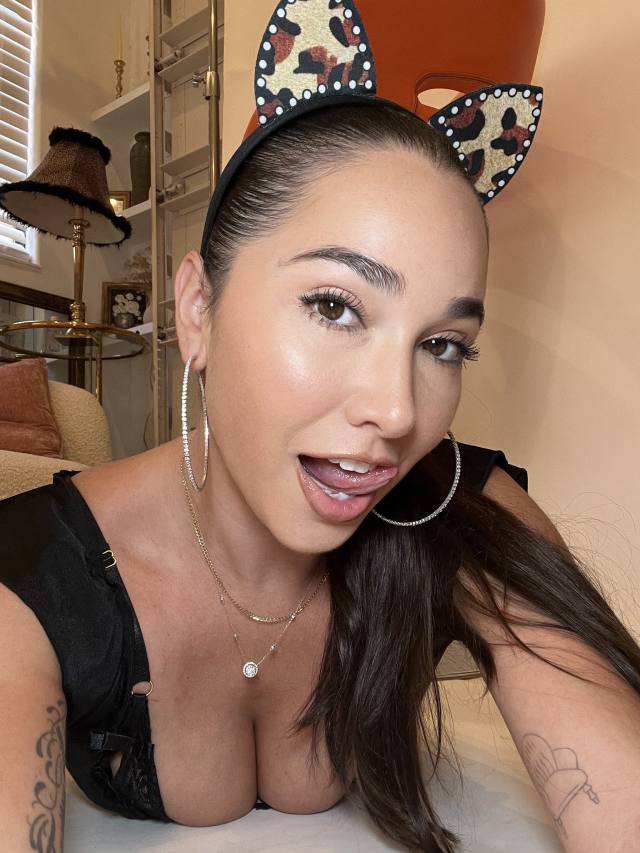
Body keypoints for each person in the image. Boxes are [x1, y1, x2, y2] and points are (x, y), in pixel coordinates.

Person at [2, 4, 640, 853]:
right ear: (198, 310)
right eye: (336, 306)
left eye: (443, 344)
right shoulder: (33, 578)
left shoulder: (462, 506)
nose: (399, 412)